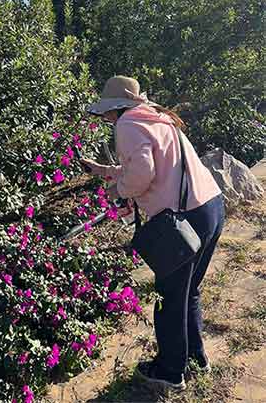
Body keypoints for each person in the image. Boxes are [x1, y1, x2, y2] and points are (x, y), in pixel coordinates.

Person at [81, 75, 224, 391]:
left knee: (169, 296)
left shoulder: (126, 125)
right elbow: (151, 166)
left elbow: (141, 175)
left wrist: (117, 190)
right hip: (211, 206)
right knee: (189, 291)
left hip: (186, 220)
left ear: (116, 107)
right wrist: (106, 171)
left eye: (105, 111)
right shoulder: (157, 118)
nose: (104, 117)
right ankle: (195, 357)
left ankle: (171, 372)